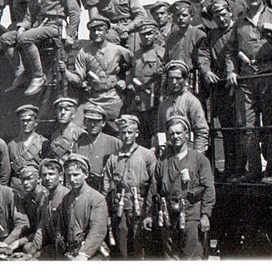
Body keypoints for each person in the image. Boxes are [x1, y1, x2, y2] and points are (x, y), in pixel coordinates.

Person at [224, 0, 272, 182]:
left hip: (269, 77)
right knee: (247, 126)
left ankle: (271, 169)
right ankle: (253, 171)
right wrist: (231, 71)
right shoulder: (239, 24)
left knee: (271, 124)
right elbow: (230, 51)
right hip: (246, 80)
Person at [0, 0, 81, 96]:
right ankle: (22, 73)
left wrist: (70, 34)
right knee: (6, 38)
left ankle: (38, 76)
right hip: (39, 26)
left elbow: (74, 11)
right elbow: (29, 16)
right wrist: (22, 27)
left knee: (25, 38)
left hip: (55, 26)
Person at [143, 116, 215, 260]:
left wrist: (205, 215)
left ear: (186, 134)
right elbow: (154, 188)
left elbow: (209, 189)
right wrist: (149, 214)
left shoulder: (199, 160)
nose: (175, 136)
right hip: (168, 215)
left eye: (179, 133)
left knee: (192, 258)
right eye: (172, 133)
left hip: (191, 215)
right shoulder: (163, 160)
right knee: (171, 258)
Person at [101, 115, 156, 259]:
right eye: (123, 132)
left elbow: (154, 184)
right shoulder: (113, 158)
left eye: (130, 132)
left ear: (136, 133)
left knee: (139, 244)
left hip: (141, 207)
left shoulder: (147, 155)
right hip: (120, 208)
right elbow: (106, 187)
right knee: (122, 245)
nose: (126, 136)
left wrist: (149, 211)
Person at [63, 15, 132, 129]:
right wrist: (65, 72)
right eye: (93, 30)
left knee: (122, 129)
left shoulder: (118, 50)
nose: (96, 33)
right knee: (74, 128)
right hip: (93, 99)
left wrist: (125, 81)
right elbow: (79, 79)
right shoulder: (84, 52)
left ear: (106, 32)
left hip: (113, 98)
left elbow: (134, 66)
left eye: (100, 30)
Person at [197, 0, 240, 177]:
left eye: (223, 15)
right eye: (217, 17)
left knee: (242, 127)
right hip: (221, 87)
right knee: (226, 129)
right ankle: (230, 169)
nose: (221, 19)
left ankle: (244, 169)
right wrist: (206, 71)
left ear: (230, 12)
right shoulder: (212, 35)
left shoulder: (239, 29)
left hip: (240, 84)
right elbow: (203, 54)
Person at [50, 153, 109, 260]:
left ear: (86, 174)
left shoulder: (96, 199)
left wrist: (83, 254)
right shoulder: (66, 199)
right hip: (70, 250)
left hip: (92, 251)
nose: (72, 179)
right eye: (69, 175)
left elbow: (97, 230)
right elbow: (61, 227)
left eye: (76, 175)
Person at [126, 19, 165, 146]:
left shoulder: (161, 53)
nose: (146, 37)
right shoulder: (137, 54)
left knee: (158, 135)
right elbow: (132, 74)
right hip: (139, 103)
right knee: (141, 137)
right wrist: (129, 84)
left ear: (155, 34)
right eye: (143, 34)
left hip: (154, 102)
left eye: (149, 33)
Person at [156, 60, 210, 153]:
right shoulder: (164, 104)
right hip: (169, 153)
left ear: (184, 79)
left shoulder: (191, 101)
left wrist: (197, 155)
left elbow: (202, 131)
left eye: (178, 78)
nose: (174, 82)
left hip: (188, 151)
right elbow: (160, 130)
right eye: (171, 78)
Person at [73, 104, 122, 190]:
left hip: (106, 187)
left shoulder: (115, 143)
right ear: (84, 122)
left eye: (97, 121)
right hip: (83, 186)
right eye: (90, 121)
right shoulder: (78, 143)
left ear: (103, 123)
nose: (93, 124)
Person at [30, 158, 70, 258]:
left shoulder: (67, 197)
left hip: (69, 250)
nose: (47, 178)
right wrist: (30, 253)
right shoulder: (45, 199)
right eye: (44, 175)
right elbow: (42, 228)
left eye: (51, 174)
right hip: (54, 247)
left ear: (60, 176)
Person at [7, 104, 50, 191]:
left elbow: (47, 169)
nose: (25, 123)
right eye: (23, 121)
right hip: (17, 188)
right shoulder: (12, 145)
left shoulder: (43, 143)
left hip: (37, 187)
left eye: (29, 120)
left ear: (36, 122)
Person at [13, 162, 47, 255]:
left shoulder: (45, 197)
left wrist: (17, 243)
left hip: (45, 237)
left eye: (29, 179)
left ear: (39, 179)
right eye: (23, 179)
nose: (25, 183)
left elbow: (42, 229)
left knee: (27, 248)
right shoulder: (27, 198)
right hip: (34, 235)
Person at [48, 97, 85, 161]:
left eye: (67, 110)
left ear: (74, 113)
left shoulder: (80, 134)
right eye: (60, 109)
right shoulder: (55, 134)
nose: (62, 113)